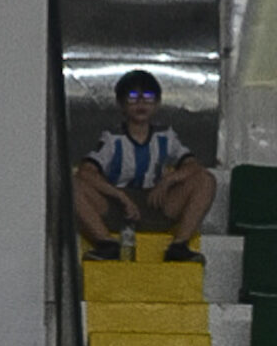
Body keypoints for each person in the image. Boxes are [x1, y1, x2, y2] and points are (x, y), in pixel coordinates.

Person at [72, 69, 215, 263]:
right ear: (121, 104)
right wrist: (120, 196)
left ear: (157, 104)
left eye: (148, 97)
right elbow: (86, 172)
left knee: (206, 180)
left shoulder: (166, 136)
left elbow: (193, 166)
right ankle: (106, 244)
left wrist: (167, 182)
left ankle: (179, 246)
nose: (141, 103)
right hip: (118, 208)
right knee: (73, 186)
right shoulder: (112, 138)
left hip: (156, 203)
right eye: (133, 98)